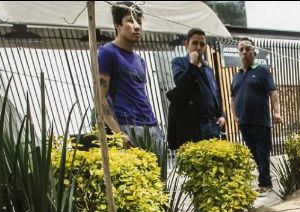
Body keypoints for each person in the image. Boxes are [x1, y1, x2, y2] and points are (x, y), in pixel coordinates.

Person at [97, 1, 161, 148]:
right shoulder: (107, 53)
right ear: (117, 25)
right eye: (130, 21)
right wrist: (118, 133)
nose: (137, 27)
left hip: (151, 126)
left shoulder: (140, 60)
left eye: (139, 22)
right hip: (128, 126)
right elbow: (100, 98)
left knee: (160, 171)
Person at [230, 37, 282, 196]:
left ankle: (264, 184)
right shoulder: (236, 76)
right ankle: (266, 180)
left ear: (254, 51)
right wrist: (234, 115)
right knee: (254, 154)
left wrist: (277, 112)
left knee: (262, 153)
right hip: (244, 122)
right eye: (241, 49)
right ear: (239, 53)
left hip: (261, 121)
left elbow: (273, 94)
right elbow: (233, 97)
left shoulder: (263, 71)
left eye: (247, 48)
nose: (244, 52)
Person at [168, 28, 226, 149]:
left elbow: (215, 93)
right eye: (195, 43)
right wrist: (192, 65)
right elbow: (181, 84)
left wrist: (221, 115)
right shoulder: (179, 62)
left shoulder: (207, 68)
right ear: (186, 44)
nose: (198, 47)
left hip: (213, 123)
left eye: (202, 44)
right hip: (195, 125)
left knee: (215, 163)